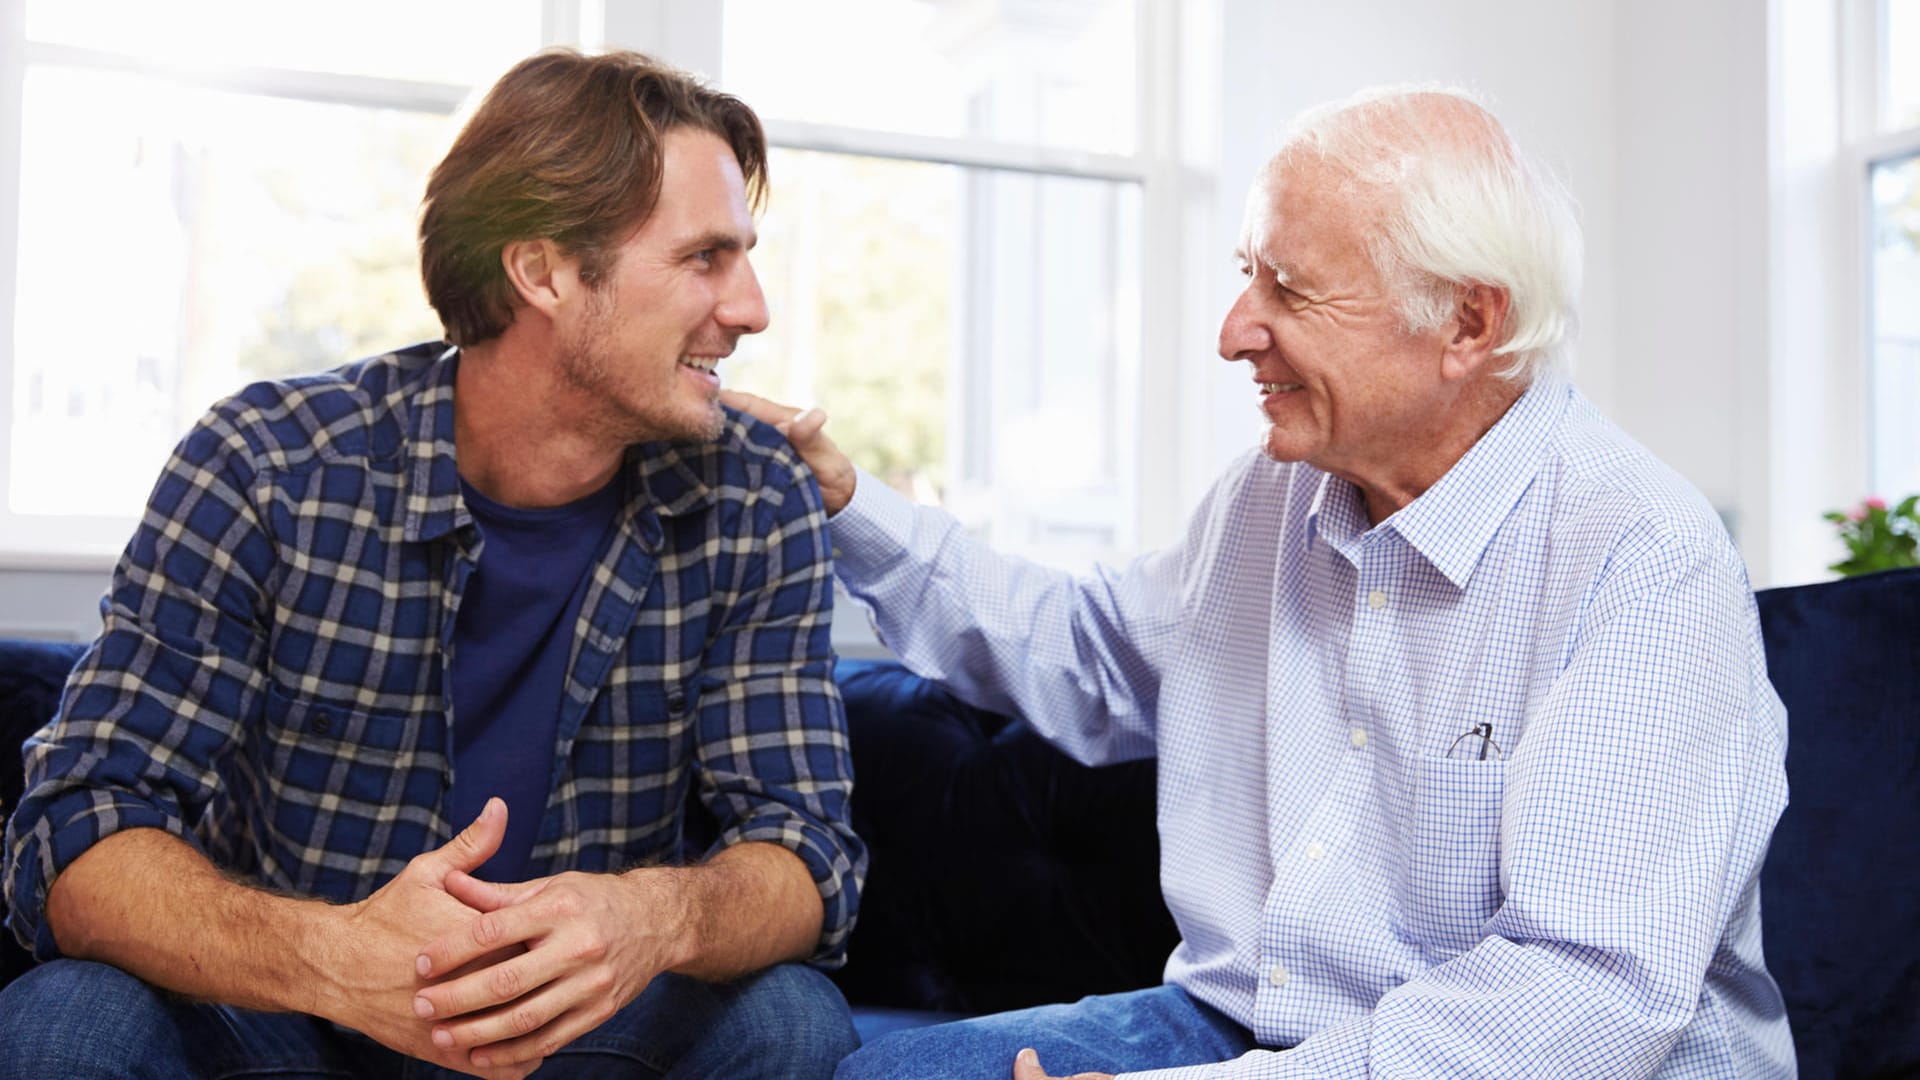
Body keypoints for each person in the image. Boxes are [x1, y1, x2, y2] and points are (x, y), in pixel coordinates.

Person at [730, 86, 1793, 1079]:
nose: (1237, 330)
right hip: (1252, 1029)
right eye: (1250, 274)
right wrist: (844, 502)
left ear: (1466, 325)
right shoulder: (1272, 497)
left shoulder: (1646, 563)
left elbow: (1582, 1001)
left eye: (1287, 288)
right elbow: (1078, 646)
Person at [1, 49, 864, 1080]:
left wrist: (651, 916)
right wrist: (334, 958)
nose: (752, 307)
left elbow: (806, 853)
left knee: (793, 1019)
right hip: (295, 1019)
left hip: (579, 1032)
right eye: (704, 259)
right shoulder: (267, 466)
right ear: (541, 270)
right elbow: (74, 832)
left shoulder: (757, 496)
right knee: (67, 1021)